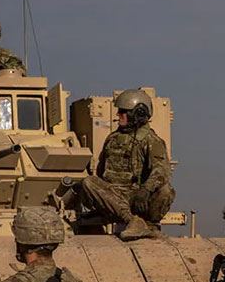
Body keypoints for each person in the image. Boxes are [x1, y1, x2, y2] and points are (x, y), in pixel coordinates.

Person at [71, 89, 175, 240]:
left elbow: (161, 170)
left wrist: (145, 190)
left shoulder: (151, 140)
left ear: (137, 114)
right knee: (89, 182)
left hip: (139, 199)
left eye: (123, 112)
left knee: (165, 190)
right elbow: (101, 171)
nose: (118, 115)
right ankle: (133, 222)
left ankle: (148, 224)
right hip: (115, 198)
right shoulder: (112, 139)